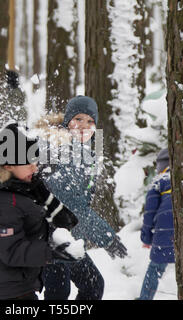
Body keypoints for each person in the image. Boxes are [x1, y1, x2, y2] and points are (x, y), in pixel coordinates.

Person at [0, 123, 82, 300]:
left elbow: (64, 219)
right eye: (28, 162)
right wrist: (50, 252)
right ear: (8, 165)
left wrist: (41, 192)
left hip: (19, 280)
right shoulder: (0, 202)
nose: (35, 167)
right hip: (8, 287)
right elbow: (12, 250)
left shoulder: (21, 187)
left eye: (35, 160)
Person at [33, 96, 128, 300]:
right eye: (78, 119)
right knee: (61, 292)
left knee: (92, 285)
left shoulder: (84, 153)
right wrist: (106, 238)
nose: (84, 126)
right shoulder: (61, 152)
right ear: (68, 121)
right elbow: (73, 208)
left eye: (90, 121)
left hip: (66, 236)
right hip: (49, 237)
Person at [137, 148, 175, 300]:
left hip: (165, 229)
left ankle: (145, 298)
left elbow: (149, 212)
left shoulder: (159, 181)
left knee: (155, 269)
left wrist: (146, 238)